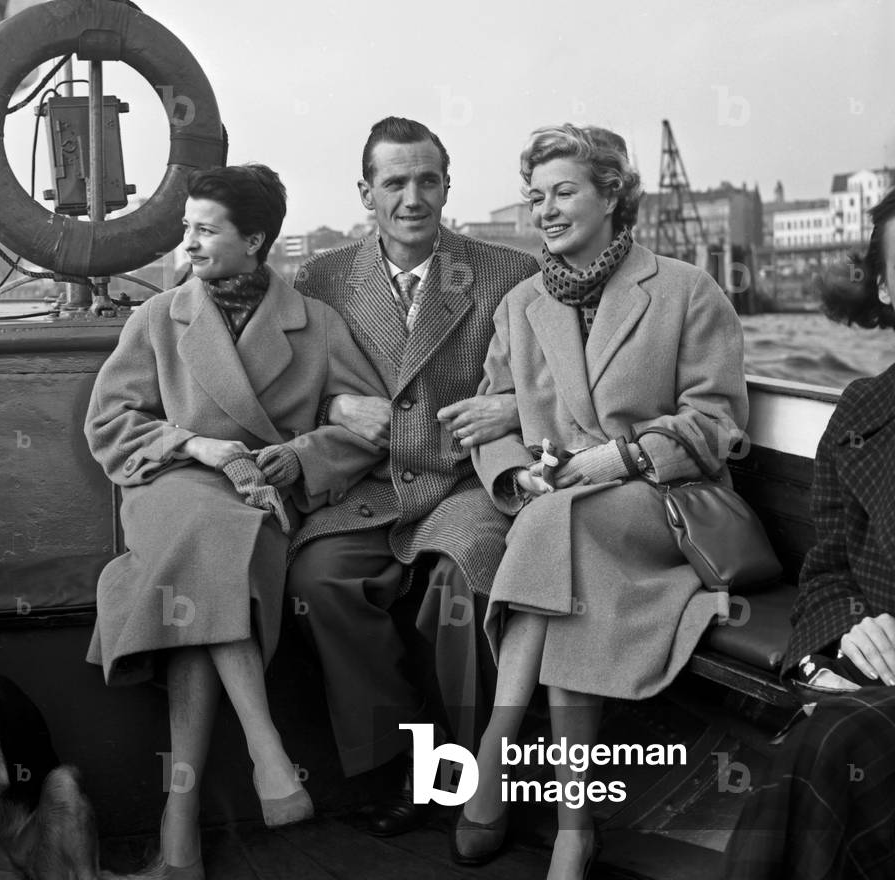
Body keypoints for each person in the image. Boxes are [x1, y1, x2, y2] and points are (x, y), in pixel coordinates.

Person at [460, 124, 748, 880]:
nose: (544, 211)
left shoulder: (686, 289)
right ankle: (572, 829)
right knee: (561, 537)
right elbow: (493, 410)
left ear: (611, 193)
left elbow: (717, 423)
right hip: (564, 513)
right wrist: (516, 472)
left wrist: (618, 456)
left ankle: (493, 753)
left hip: (662, 501)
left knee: (561, 525)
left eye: (562, 192)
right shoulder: (522, 304)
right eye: (534, 197)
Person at [84, 165, 387, 878]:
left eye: (205, 228)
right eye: (185, 226)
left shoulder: (316, 325)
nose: (187, 241)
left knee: (211, 570)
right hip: (170, 484)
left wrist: (297, 456)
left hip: (257, 495)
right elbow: (111, 424)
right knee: (206, 537)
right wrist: (193, 442)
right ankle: (265, 748)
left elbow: (364, 430)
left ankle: (178, 823)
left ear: (254, 240)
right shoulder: (157, 318)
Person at [287, 116, 538, 835]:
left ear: (447, 186)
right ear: (365, 192)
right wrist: (332, 401)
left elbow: (558, 385)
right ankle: (403, 760)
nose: (412, 197)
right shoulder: (321, 279)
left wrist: (511, 405)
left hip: (462, 481)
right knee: (316, 580)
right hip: (368, 488)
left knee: (467, 578)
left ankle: (466, 772)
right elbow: (283, 384)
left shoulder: (506, 274)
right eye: (394, 181)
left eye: (427, 179)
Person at [723, 187, 895, 880]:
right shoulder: (862, 412)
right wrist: (851, 626)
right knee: (830, 744)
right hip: (877, 674)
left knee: (828, 746)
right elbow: (825, 569)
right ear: (884, 287)